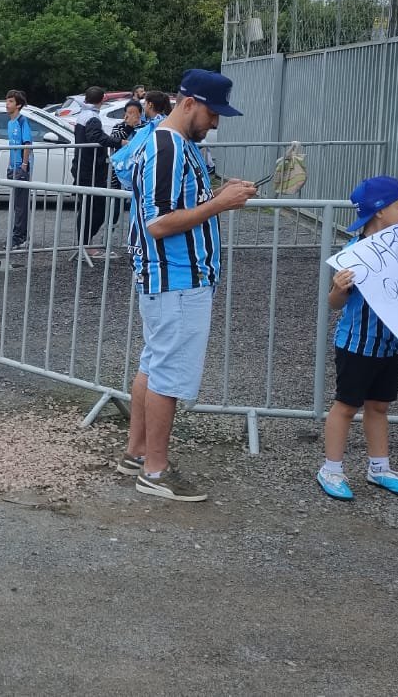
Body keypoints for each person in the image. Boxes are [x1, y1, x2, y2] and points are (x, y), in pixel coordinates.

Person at [118, 70, 257, 502]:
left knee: (155, 364)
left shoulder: (172, 145)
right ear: (190, 103)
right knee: (169, 374)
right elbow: (158, 222)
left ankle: (138, 454)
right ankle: (156, 471)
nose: (215, 123)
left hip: (172, 278)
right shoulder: (167, 147)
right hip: (177, 277)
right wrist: (220, 203)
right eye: (213, 113)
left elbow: (175, 202)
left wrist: (220, 191)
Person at [317, 176, 398, 501]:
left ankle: (379, 467)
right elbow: (334, 304)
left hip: (390, 344)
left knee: (379, 405)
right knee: (346, 406)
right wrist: (338, 288)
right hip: (357, 343)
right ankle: (331, 469)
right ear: (379, 212)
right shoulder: (354, 253)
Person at [71, 86, 128, 258]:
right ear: (102, 99)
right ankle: (86, 245)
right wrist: (119, 142)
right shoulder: (92, 117)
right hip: (91, 170)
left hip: (83, 167)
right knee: (97, 207)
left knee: (89, 206)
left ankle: (84, 244)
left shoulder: (83, 114)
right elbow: (96, 137)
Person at [4, 90, 34, 250]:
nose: (7, 104)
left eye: (10, 101)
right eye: (7, 101)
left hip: (22, 167)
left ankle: (20, 237)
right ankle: (17, 235)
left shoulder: (23, 121)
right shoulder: (10, 122)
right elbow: (12, 146)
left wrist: (24, 165)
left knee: (21, 204)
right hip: (13, 166)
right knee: (16, 202)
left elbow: (27, 144)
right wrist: (10, 165)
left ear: (18, 105)